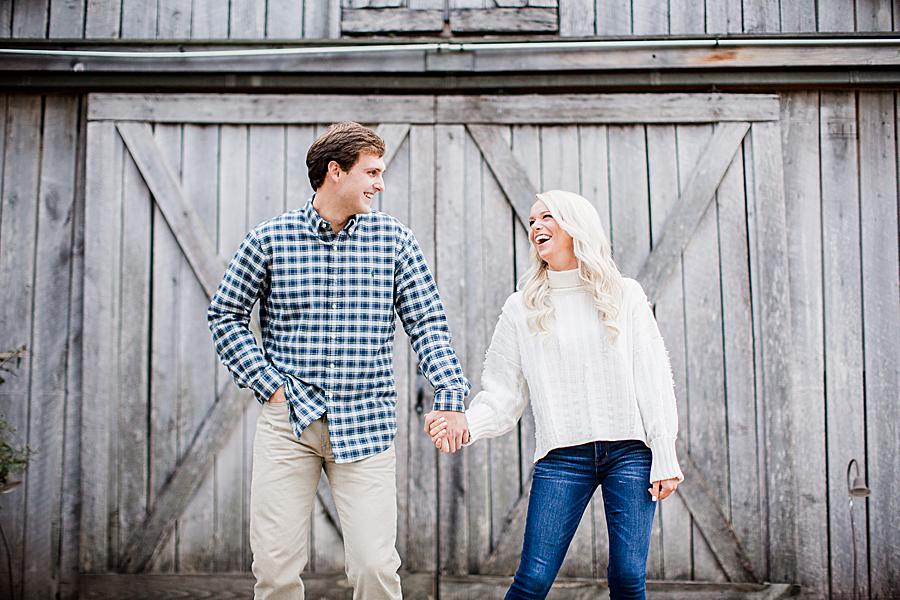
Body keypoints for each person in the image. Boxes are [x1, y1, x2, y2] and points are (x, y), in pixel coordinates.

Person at [208, 121, 471, 600]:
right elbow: (224, 315)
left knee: (374, 568)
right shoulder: (270, 239)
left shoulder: (394, 240)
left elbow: (428, 324)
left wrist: (451, 396)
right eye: (371, 171)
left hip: (366, 422)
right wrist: (269, 383)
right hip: (290, 420)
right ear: (335, 171)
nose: (379, 183)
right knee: (274, 567)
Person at [426, 190, 683, 600]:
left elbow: (653, 377)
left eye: (547, 217)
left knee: (629, 575)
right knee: (533, 578)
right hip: (563, 456)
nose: (535, 227)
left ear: (575, 224)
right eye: (531, 221)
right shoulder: (521, 308)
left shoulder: (626, 294)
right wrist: (465, 424)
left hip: (631, 452)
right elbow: (503, 394)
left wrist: (664, 455)